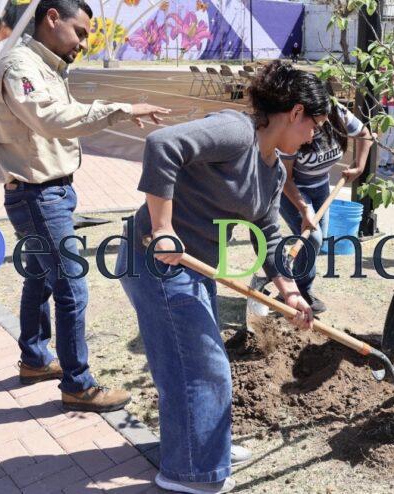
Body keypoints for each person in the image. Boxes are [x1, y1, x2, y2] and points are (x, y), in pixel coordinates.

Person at [117, 61, 325, 494]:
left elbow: (267, 229)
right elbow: (161, 145)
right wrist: (163, 229)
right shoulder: (235, 132)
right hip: (156, 261)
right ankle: (189, 473)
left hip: (193, 268)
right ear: (295, 112)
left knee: (195, 361)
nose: (313, 137)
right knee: (199, 366)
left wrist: (289, 291)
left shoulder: (272, 170)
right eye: (313, 126)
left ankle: (205, 445)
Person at [0, 0, 168, 412]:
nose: (83, 43)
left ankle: (36, 359)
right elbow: (50, 119)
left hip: (50, 190)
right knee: (71, 285)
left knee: (39, 275)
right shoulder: (20, 66)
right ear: (52, 18)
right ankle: (78, 384)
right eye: (80, 32)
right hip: (37, 194)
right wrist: (121, 109)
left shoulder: (46, 65)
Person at [279, 89, 372, 313]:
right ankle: (294, 290)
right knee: (313, 238)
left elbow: (365, 135)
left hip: (321, 187)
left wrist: (359, 166)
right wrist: (303, 209)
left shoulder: (336, 113)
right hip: (292, 189)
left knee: (315, 242)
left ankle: (302, 287)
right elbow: (285, 179)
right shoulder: (294, 128)